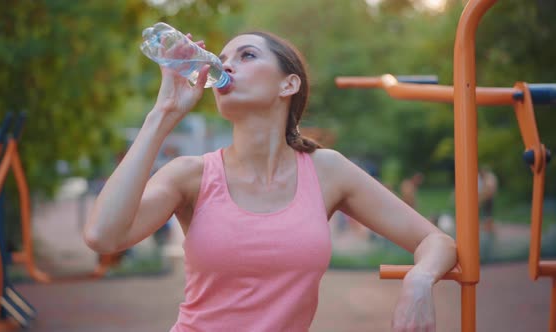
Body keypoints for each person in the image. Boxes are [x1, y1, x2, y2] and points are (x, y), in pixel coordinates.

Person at [84, 30, 457, 331]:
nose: (225, 64)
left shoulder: (327, 171)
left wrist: (418, 282)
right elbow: (104, 237)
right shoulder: (190, 175)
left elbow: (435, 240)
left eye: (246, 55)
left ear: (288, 85)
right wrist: (162, 114)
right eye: (223, 58)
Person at [478, 167, 498, 232]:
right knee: (487, 214)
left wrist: (481, 198)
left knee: (488, 214)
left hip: (488, 198)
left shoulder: (489, 178)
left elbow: (489, 189)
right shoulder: (487, 177)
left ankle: (489, 227)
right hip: (487, 197)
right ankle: (487, 227)